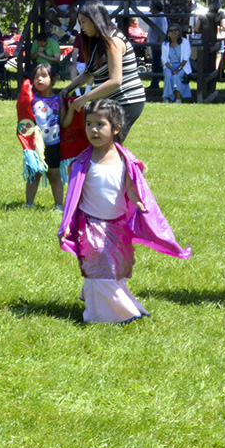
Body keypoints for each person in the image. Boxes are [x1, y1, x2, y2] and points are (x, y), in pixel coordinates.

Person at [58, 99, 191, 323]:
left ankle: (104, 299)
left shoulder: (124, 160)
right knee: (99, 266)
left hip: (117, 226)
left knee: (112, 268)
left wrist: (139, 203)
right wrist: (68, 223)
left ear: (116, 129)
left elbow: (131, 187)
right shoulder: (83, 163)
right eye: (89, 124)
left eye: (100, 124)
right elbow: (74, 196)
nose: (93, 130)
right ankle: (114, 314)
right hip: (91, 225)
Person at [63, 0, 146, 139]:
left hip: (127, 100)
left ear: (95, 19)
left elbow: (115, 81)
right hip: (110, 101)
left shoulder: (113, 41)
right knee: (100, 143)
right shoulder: (97, 42)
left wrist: (85, 98)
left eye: (83, 22)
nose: (81, 26)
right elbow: (88, 73)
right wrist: (66, 89)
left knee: (108, 145)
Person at [16, 64, 64, 210]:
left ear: (53, 79)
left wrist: (72, 111)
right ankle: (29, 204)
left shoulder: (58, 100)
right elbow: (24, 119)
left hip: (53, 143)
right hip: (35, 144)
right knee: (34, 173)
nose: (39, 79)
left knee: (54, 174)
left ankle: (58, 205)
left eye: (44, 76)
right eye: (36, 77)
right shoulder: (30, 99)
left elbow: (64, 122)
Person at [161, 23, 192, 103]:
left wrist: (178, 69)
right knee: (168, 76)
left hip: (182, 66)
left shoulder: (185, 42)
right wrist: (172, 70)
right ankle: (167, 98)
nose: (173, 32)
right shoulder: (165, 44)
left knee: (176, 77)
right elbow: (164, 59)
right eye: (171, 30)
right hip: (169, 66)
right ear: (168, 33)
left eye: (176, 30)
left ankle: (178, 99)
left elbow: (186, 58)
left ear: (179, 32)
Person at [146, 0, 168, 89]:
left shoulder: (160, 17)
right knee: (156, 63)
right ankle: (155, 82)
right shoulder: (156, 16)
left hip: (157, 44)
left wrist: (158, 43)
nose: (150, 8)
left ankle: (156, 83)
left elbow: (161, 31)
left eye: (151, 6)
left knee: (157, 64)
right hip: (154, 43)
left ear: (155, 8)